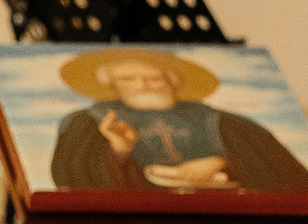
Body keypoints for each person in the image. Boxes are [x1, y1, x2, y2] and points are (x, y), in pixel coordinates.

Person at [50, 52, 308, 192]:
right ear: (112, 85)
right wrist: (119, 151)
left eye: (154, 78)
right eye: (128, 79)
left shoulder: (219, 120)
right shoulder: (88, 122)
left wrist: (222, 162)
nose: (142, 85)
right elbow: (72, 177)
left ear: (172, 81)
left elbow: (281, 171)